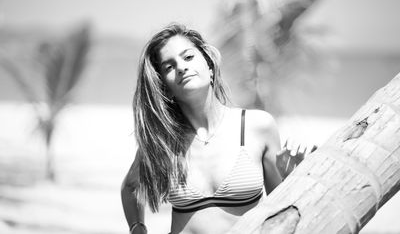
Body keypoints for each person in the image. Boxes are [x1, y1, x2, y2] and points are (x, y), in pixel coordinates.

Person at [121, 23, 313, 234]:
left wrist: (289, 178)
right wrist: (137, 228)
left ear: (209, 66)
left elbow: (279, 209)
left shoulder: (256, 126)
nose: (181, 67)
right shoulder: (163, 140)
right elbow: (130, 188)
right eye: (169, 66)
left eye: (188, 57)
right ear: (165, 87)